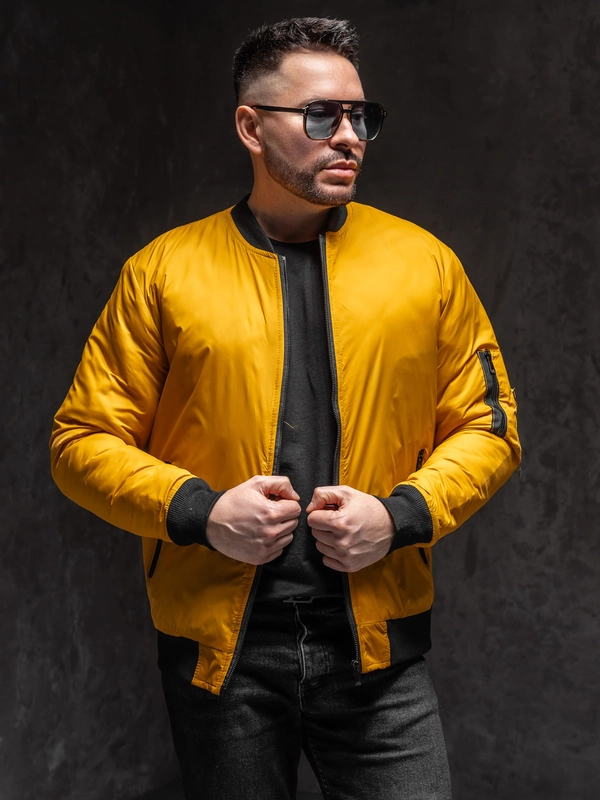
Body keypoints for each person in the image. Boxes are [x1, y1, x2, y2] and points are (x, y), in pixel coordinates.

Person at [50, 16, 521, 800]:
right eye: (321, 116)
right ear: (251, 127)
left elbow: (491, 425)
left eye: (361, 116)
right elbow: (80, 442)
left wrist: (399, 516)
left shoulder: (427, 266)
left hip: (377, 650)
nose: (351, 137)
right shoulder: (162, 273)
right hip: (221, 656)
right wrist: (201, 511)